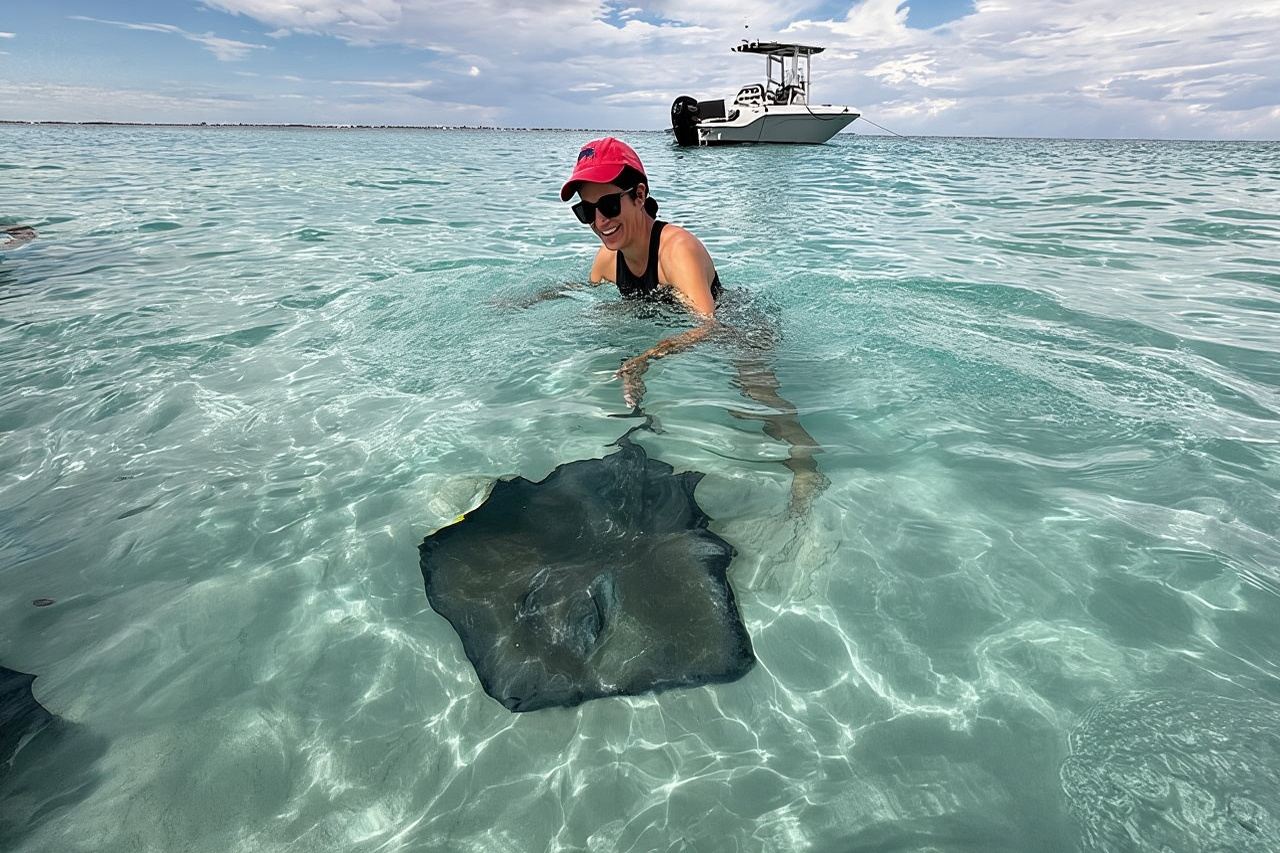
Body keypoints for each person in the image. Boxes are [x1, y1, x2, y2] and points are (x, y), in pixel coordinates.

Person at [559, 137, 828, 516]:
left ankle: (805, 467)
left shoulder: (676, 250)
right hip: (679, 322)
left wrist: (647, 357)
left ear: (639, 195)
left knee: (755, 401)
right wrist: (537, 298)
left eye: (608, 205)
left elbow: (707, 326)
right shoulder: (606, 260)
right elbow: (588, 296)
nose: (600, 221)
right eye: (587, 211)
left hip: (739, 324)